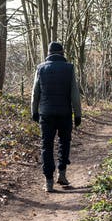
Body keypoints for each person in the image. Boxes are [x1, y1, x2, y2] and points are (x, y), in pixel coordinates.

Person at [31, 41, 82, 192]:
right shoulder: (69, 68)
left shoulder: (41, 68)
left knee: (46, 146)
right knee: (64, 142)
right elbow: (75, 93)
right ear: (62, 53)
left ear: (48, 53)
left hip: (46, 113)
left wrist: (34, 111)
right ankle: (62, 174)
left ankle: (48, 181)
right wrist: (78, 114)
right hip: (65, 113)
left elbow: (35, 93)